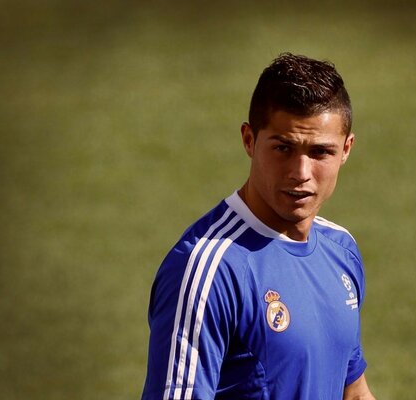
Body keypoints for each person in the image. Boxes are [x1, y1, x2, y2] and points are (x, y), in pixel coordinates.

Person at [142, 53, 375, 400]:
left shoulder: (340, 249)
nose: (301, 172)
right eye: (283, 148)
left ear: (346, 149)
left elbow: (353, 391)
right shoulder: (208, 270)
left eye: (320, 152)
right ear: (249, 140)